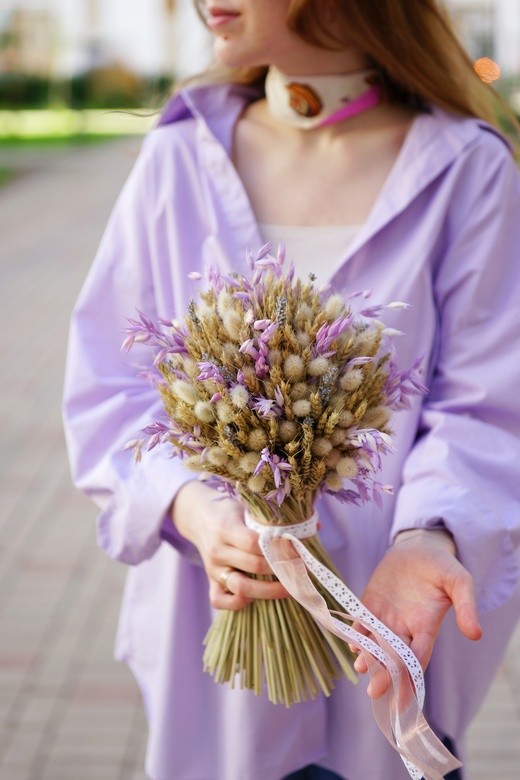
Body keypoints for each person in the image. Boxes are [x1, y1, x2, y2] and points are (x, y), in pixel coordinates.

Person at [63, 2, 520, 778]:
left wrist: (428, 538)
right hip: (215, 637)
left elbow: (488, 403)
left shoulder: (467, 168)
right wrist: (192, 509)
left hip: (383, 633)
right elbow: (112, 384)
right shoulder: (180, 158)